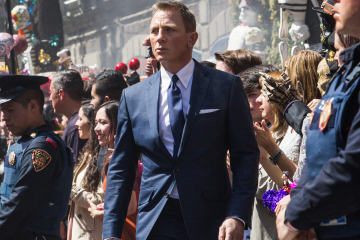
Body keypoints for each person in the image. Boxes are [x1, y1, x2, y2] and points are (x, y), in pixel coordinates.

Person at [103, 1, 259, 240]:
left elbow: (245, 155)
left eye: (170, 30)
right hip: (156, 218)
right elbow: (122, 168)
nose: (160, 37)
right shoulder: (133, 96)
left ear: (191, 38)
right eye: (154, 31)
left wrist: (237, 214)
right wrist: (111, 233)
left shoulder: (224, 87)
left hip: (211, 219)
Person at [276, 0, 360, 239]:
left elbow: (353, 165)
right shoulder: (345, 76)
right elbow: (317, 158)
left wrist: (297, 216)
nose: (335, 4)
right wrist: (295, 202)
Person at [0, 75, 74, 240]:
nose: (4, 118)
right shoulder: (26, 141)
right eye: (2, 111)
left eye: (10, 110)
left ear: (33, 106)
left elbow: (19, 203)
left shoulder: (42, 147)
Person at [87, 101, 138, 240]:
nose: (97, 128)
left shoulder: (126, 158)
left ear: (119, 123)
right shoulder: (113, 156)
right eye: (96, 122)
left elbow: (130, 207)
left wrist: (101, 213)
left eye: (103, 122)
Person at [68, 103, 104, 240]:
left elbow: (99, 200)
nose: (76, 123)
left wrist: (68, 185)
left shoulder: (102, 156)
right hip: (81, 230)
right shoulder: (89, 153)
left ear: (92, 124)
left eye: (80, 119)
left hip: (91, 234)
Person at [49, 69, 87, 163]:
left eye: (51, 93)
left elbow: (75, 168)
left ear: (61, 93)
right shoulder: (77, 122)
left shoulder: (76, 127)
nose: (50, 98)